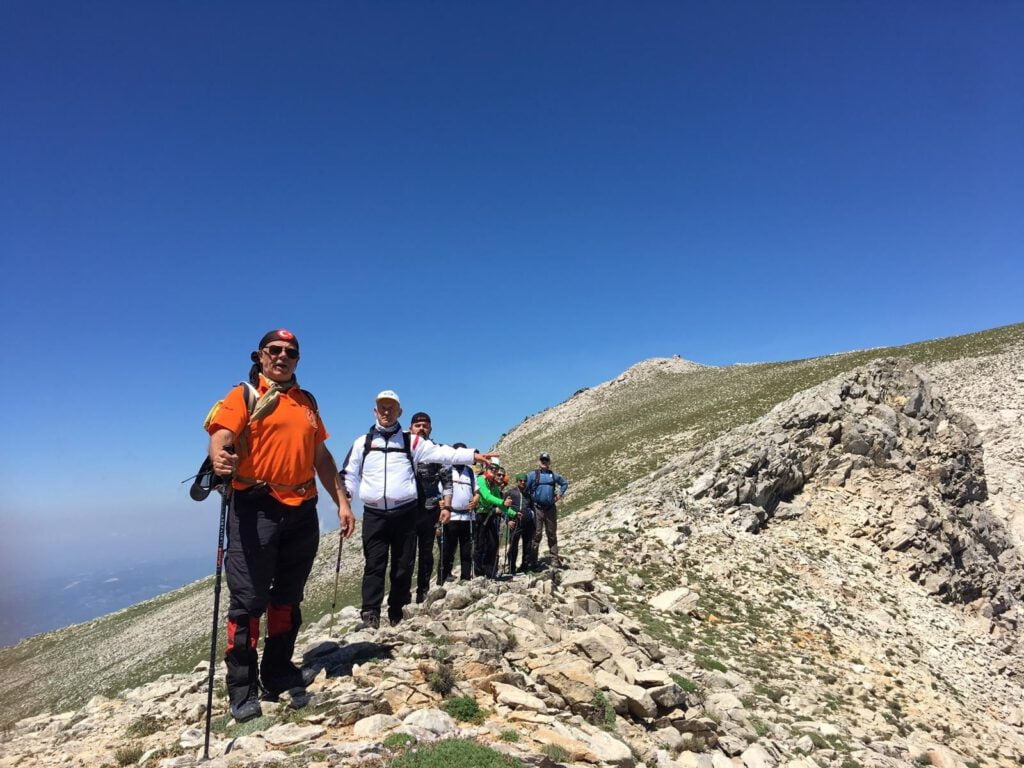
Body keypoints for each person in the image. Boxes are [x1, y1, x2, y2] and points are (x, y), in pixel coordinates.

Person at [207, 329, 355, 723]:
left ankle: (277, 672)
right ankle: (242, 689)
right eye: (275, 350)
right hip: (256, 506)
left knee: (287, 597)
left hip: (301, 509)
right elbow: (222, 434)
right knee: (248, 600)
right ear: (260, 355)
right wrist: (221, 457)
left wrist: (340, 501)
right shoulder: (244, 395)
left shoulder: (307, 402)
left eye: (291, 352)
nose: (282, 356)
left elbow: (320, 455)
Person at [342, 391, 496, 628]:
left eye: (391, 408)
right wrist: (346, 498)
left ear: (399, 412)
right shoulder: (362, 442)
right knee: (374, 564)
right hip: (374, 514)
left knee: (403, 566)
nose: (386, 411)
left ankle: (396, 610)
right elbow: (350, 474)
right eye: (382, 407)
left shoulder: (410, 441)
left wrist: (473, 456)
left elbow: (443, 453)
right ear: (375, 411)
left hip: (405, 513)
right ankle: (370, 613)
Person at [407, 412, 453, 604]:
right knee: (405, 556)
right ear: (411, 428)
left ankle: (423, 592)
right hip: (405, 511)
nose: (421, 428)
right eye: (417, 425)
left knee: (426, 554)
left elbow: (448, 482)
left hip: (429, 510)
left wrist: (447, 507)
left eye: (425, 425)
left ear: (431, 428)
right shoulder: (402, 449)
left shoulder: (437, 451)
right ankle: (401, 596)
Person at [439, 443, 478, 582]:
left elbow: (476, 492)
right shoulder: (446, 470)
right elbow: (440, 492)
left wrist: (475, 500)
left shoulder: (470, 472)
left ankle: (466, 578)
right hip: (452, 516)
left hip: (468, 517)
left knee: (467, 550)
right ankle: (442, 578)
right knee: (448, 549)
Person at [526, 452, 569, 569]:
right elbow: (525, 488)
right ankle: (532, 561)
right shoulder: (532, 475)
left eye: (546, 460)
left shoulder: (554, 475)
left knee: (551, 534)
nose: (544, 462)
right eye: (542, 460)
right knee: (536, 534)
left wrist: (559, 495)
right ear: (539, 462)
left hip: (550, 508)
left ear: (549, 462)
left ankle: (554, 559)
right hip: (537, 508)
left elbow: (564, 483)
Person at [475, 464, 514, 578]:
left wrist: (513, 513)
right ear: (487, 470)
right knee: (480, 544)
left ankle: (489, 571)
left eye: (496, 471)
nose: (494, 472)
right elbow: (486, 496)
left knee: (493, 543)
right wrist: (502, 503)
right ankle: (478, 572)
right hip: (480, 515)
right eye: (492, 470)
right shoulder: (481, 480)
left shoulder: (493, 485)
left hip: (490, 515)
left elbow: (500, 503)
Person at [505, 473, 537, 575]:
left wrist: (534, 521)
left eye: (524, 481)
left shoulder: (528, 495)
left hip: (528, 524)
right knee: (513, 545)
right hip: (515, 523)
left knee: (527, 545)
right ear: (517, 481)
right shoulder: (511, 493)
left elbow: (533, 508)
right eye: (521, 481)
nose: (523, 482)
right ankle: (511, 567)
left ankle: (525, 566)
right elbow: (503, 507)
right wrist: (508, 521)